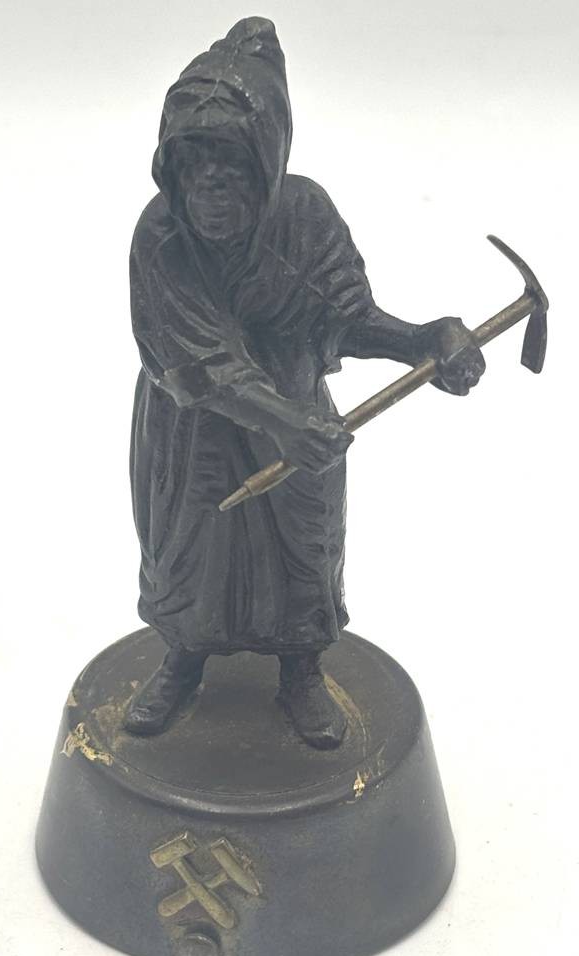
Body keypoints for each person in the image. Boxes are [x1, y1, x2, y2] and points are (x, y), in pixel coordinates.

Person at [123, 17, 484, 749]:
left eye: (231, 162)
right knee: (190, 548)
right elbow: (195, 364)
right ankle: (182, 660)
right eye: (195, 162)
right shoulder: (160, 238)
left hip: (298, 415)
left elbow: (346, 315)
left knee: (304, 550)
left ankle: (301, 672)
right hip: (195, 430)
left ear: (266, 157)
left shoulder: (307, 216)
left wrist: (421, 340)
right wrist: (281, 421)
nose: (211, 184)